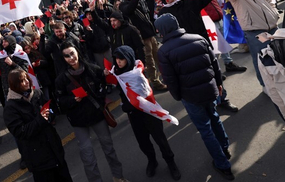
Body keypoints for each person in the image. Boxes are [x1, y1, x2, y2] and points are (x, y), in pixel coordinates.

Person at [155, 14, 233, 181]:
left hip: (190, 95)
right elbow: (215, 65)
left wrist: (177, 96)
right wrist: (219, 84)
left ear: (162, 30)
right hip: (210, 89)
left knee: (205, 129)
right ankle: (224, 148)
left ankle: (222, 164)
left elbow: (170, 79)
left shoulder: (164, 51)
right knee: (215, 118)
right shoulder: (198, 38)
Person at [55, 42, 128, 182]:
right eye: (66, 56)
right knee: (88, 156)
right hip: (78, 121)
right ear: (62, 58)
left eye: (72, 53)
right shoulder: (61, 79)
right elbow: (59, 101)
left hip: (97, 116)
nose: (71, 58)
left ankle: (118, 177)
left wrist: (104, 76)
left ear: (77, 52)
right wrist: (72, 100)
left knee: (109, 149)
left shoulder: (92, 69)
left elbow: (104, 86)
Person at [110, 46, 181, 180]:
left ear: (129, 59)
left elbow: (146, 94)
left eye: (121, 58)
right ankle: (152, 161)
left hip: (149, 112)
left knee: (160, 140)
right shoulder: (117, 73)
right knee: (143, 141)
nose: (118, 61)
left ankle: (171, 162)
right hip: (134, 115)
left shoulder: (137, 74)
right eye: (116, 58)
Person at [3, 70, 72, 182]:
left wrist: (50, 115)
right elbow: (21, 132)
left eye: (26, 78)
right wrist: (40, 119)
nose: (26, 82)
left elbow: (51, 109)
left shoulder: (36, 94)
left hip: (55, 151)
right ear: (15, 85)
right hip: (38, 159)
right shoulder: (11, 108)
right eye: (21, 81)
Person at [224, 0, 279, 87]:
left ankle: (282, 80)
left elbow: (268, 0)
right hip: (256, 31)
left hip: (272, 27)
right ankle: (266, 85)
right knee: (262, 59)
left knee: (279, 54)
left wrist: (273, 12)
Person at [119, 0, 168, 91]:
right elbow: (129, 9)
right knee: (150, 61)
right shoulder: (124, 6)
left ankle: (167, 77)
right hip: (143, 38)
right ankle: (155, 82)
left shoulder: (138, 2)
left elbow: (148, 7)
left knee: (159, 57)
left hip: (150, 34)